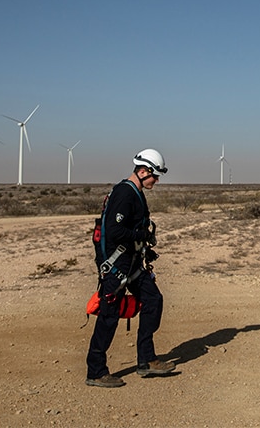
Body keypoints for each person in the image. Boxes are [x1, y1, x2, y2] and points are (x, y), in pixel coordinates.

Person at [85, 148, 175, 387]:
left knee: (153, 300)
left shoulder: (135, 192)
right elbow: (115, 232)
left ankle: (146, 360)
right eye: (154, 176)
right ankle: (95, 371)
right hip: (117, 266)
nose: (156, 181)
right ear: (143, 171)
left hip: (133, 263)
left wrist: (143, 243)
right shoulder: (125, 193)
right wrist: (139, 233)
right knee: (108, 316)